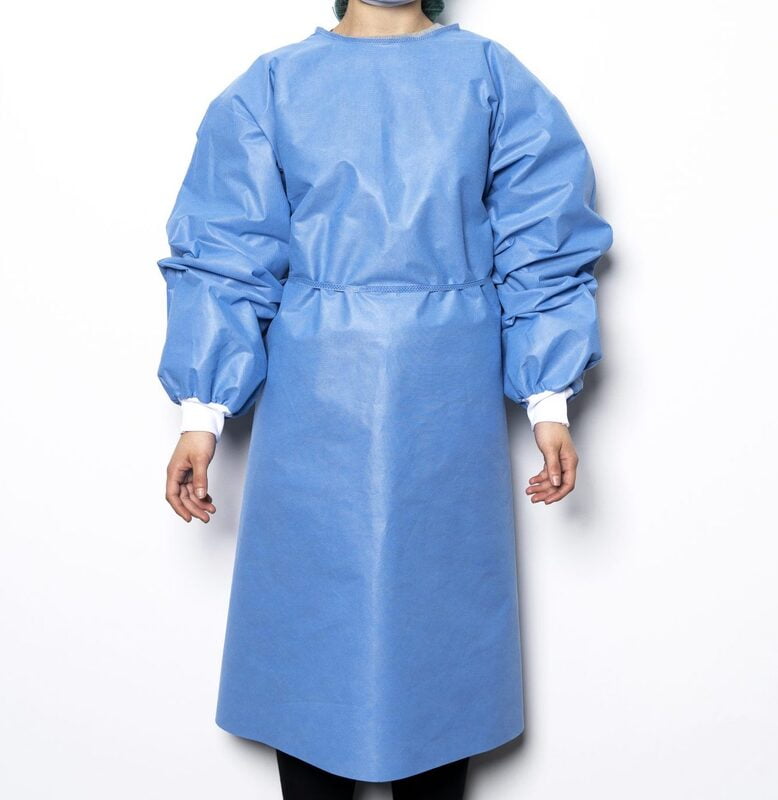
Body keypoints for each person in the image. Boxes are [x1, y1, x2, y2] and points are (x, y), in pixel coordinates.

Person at [156, 0, 613, 797]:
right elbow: (226, 253)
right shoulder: (275, 86)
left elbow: (542, 238)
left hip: (446, 410)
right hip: (312, 410)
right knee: (313, 641)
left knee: (435, 640)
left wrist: (550, 400)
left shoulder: (490, 78)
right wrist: (203, 414)